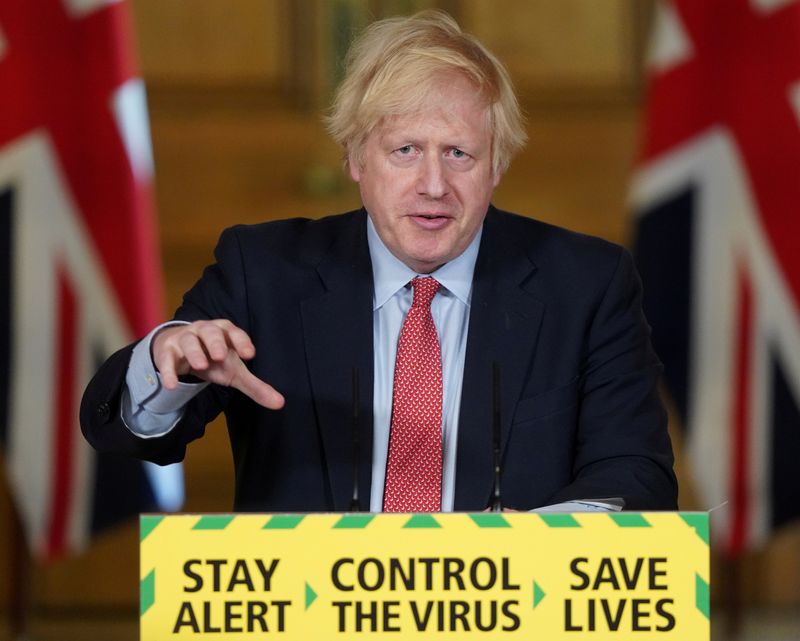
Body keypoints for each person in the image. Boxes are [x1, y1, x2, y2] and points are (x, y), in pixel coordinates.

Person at [80, 10, 677, 513]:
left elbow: (635, 477)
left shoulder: (588, 284)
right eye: (406, 151)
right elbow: (127, 434)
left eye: (460, 154)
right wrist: (168, 361)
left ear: (497, 165)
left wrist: (529, 552)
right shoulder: (264, 272)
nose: (433, 185)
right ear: (356, 159)